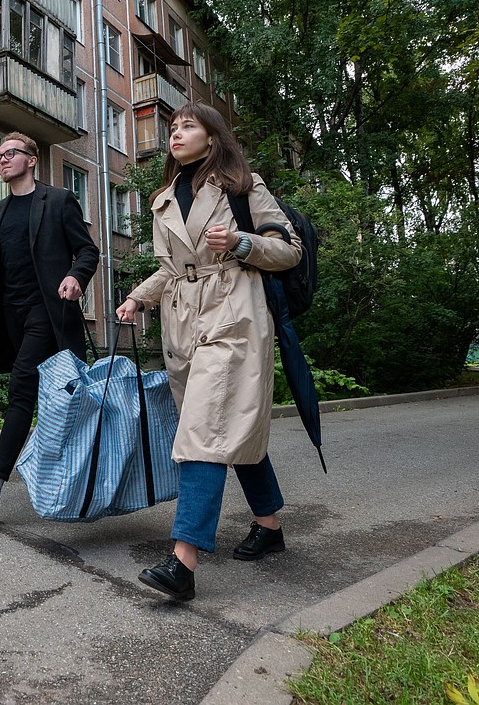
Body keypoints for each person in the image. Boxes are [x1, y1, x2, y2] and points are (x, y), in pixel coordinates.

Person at [115, 103, 302, 601]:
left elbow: (288, 251)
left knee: (204, 430)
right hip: (181, 325)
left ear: (213, 136)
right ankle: (270, 525)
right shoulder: (162, 201)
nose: (176, 133)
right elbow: (173, 269)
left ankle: (183, 563)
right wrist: (138, 296)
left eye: (188, 126)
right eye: (172, 127)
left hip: (233, 315)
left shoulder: (243, 186)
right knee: (224, 426)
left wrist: (242, 242)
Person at [0, 131, 99, 524]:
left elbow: (88, 249)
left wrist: (76, 277)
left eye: (10, 154)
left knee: (20, 389)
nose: (1, 160)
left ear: (31, 160)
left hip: (48, 313)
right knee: (49, 400)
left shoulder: (57, 200)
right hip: (10, 317)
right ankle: (73, 480)